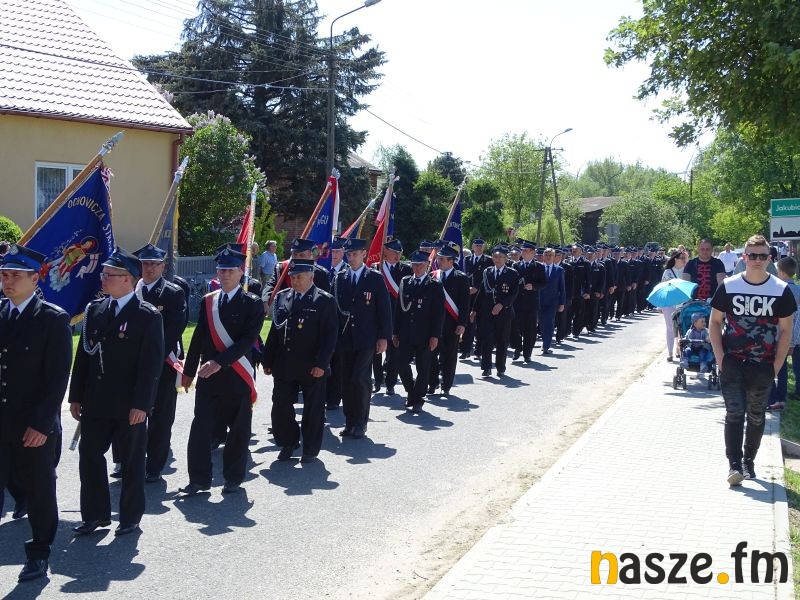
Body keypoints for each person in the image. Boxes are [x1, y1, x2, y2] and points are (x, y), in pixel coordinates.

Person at [69, 247, 164, 536]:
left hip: (129, 404)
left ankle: (130, 517)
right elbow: (84, 356)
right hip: (96, 401)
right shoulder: (95, 310)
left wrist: (142, 405)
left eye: (109, 274)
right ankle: (95, 515)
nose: (103, 278)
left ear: (127, 279)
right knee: (89, 457)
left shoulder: (147, 315)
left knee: (132, 463)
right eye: (104, 273)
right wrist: (76, 396)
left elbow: (150, 366)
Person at [0, 244, 71, 581]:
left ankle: (39, 552)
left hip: (34, 426)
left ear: (35, 278)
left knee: (39, 491)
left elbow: (57, 379)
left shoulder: (52, 319)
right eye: (4, 274)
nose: (7, 281)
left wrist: (42, 424)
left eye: (15, 275)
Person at [709, 234, 797, 486]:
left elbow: (786, 331)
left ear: (769, 258)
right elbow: (715, 323)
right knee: (734, 413)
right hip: (733, 363)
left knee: (756, 416)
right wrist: (720, 358)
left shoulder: (780, 290)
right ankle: (734, 465)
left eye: (762, 256)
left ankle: (749, 461)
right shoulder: (729, 286)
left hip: (763, 366)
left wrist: (777, 366)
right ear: (744, 257)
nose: (757, 260)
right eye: (752, 255)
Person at [179, 244, 265, 496]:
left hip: (237, 375)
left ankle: (233, 477)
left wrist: (219, 362)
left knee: (238, 430)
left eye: (230, 270)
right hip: (208, 378)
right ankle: (198, 479)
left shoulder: (252, 303)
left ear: (240, 272)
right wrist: (188, 371)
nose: (225, 274)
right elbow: (198, 338)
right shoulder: (209, 302)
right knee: (200, 428)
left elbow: (248, 340)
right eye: (221, 269)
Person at [263, 259, 338, 462]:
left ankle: (310, 449)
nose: (295, 281)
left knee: (313, 409)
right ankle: (288, 441)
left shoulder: (324, 300)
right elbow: (275, 331)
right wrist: (267, 359)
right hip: (285, 363)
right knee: (281, 405)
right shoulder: (282, 297)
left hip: (312, 365)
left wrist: (322, 364)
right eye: (292, 277)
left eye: (299, 277)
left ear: (311, 277)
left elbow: (330, 337)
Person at [133, 244, 187, 483]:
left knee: (160, 417)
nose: (150, 269)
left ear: (163, 266)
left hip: (162, 363)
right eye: (146, 264)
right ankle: (128, 460)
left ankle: (154, 465)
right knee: (132, 413)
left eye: (155, 264)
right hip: (132, 364)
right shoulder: (131, 289)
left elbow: (175, 329)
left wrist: (150, 359)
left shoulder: (173, 293)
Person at [332, 238, 392, 439]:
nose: (352, 258)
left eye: (355, 254)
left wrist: (384, 337)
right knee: (346, 379)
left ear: (364, 254)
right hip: (345, 338)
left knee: (360, 378)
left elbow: (384, 309)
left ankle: (361, 422)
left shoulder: (374, 278)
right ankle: (350, 421)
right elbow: (334, 309)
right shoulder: (340, 278)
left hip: (366, 338)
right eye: (349, 254)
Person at [393, 251, 444, 412]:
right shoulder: (405, 282)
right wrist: (395, 332)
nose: (416, 268)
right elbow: (398, 309)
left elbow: (438, 313)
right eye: (414, 264)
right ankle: (411, 391)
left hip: (425, 333)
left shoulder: (434, 285)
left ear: (427, 265)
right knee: (401, 363)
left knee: (423, 368)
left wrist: (435, 335)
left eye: (420, 265)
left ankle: (418, 399)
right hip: (406, 332)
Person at [470, 245, 519, 377]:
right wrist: (474, 309)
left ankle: (500, 367)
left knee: (502, 340)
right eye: (495, 257)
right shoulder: (488, 272)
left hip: (504, 312)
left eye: (500, 257)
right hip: (487, 312)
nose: (497, 259)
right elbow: (481, 292)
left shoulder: (512, 273)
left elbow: (514, 293)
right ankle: (486, 367)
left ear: (506, 259)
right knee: (487, 339)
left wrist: (502, 304)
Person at [428, 242, 470, 395]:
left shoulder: (461, 278)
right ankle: (432, 383)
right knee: (431, 355)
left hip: (451, 323)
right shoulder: (432, 276)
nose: (438, 261)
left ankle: (446, 386)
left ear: (451, 261)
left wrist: (462, 323)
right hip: (433, 324)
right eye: (438, 258)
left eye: (442, 259)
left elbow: (465, 303)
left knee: (449, 356)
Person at [371, 239, 412, 394]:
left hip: (396, 315)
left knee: (394, 352)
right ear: (386, 252)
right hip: (377, 316)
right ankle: (377, 380)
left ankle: (390, 383)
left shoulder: (406, 270)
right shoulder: (376, 268)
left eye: (399, 253)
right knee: (376, 351)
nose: (397, 255)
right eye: (394, 252)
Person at [768, 257, 800, 410]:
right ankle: (781, 398)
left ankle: (774, 398)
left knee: (775, 367)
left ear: (780, 271)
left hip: (777, 335)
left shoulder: (777, 289)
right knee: (787, 368)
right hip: (795, 335)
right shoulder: (798, 291)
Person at [262, 238, 330, 308]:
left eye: (302, 255)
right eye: (295, 254)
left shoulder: (321, 273)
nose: (297, 258)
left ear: (310, 255)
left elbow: (325, 301)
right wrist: (265, 300)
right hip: (285, 308)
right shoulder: (281, 268)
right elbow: (270, 285)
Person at [511, 240, 546, 361]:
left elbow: (543, 283)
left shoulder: (539, 267)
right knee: (515, 328)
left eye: (526, 251)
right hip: (517, 302)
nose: (524, 253)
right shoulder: (516, 266)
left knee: (530, 330)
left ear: (532, 253)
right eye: (523, 251)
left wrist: (534, 286)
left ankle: (527, 354)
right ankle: (517, 347)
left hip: (531, 303)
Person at [326, 237, 349, 410]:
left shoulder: (347, 272)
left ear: (343, 253)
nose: (334, 255)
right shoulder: (323, 270)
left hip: (341, 324)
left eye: (337, 251)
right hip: (323, 323)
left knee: (338, 362)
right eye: (332, 251)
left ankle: (334, 398)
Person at [460, 238, 493, 358]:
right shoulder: (467, 259)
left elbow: (489, 278)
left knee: (481, 323)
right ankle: (466, 350)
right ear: (472, 247)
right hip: (468, 294)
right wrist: (467, 288)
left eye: (481, 246)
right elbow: (465, 275)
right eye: (476, 245)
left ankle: (479, 350)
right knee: (468, 322)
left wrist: (477, 288)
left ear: (484, 247)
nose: (478, 248)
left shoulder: (488, 260)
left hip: (481, 295)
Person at [660, 250, 688, 361]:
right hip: (669, 303)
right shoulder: (668, 272)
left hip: (683, 302)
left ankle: (679, 349)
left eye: (685, 258)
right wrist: (660, 305)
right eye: (682, 258)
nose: (684, 260)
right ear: (676, 259)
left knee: (682, 327)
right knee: (670, 327)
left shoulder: (686, 271)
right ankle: (670, 353)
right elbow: (662, 288)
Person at [537, 247, 565, 355]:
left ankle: (546, 345)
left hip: (552, 302)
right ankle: (545, 340)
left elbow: (562, 288)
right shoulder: (538, 268)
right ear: (543, 256)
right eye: (547, 255)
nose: (548, 257)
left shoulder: (559, 270)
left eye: (551, 255)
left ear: (554, 257)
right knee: (541, 323)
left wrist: (562, 303)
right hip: (539, 301)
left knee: (549, 323)